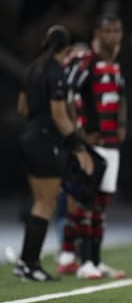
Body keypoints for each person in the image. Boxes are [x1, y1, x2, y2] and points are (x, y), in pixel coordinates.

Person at [14, 25, 94, 281]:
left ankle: (26, 263)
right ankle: (30, 264)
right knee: (46, 204)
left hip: (28, 135)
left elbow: (22, 106)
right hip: (46, 140)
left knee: (39, 202)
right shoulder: (56, 72)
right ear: (67, 48)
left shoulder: (33, 68)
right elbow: (60, 116)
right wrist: (78, 147)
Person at [58, 14, 127, 279]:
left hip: (111, 144)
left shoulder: (114, 67)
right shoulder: (86, 62)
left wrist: (121, 125)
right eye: (108, 31)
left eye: (117, 31)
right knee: (83, 203)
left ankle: (94, 261)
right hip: (91, 144)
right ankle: (79, 259)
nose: (114, 37)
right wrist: (77, 134)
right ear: (97, 33)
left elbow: (120, 99)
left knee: (99, 206)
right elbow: (66, 96)